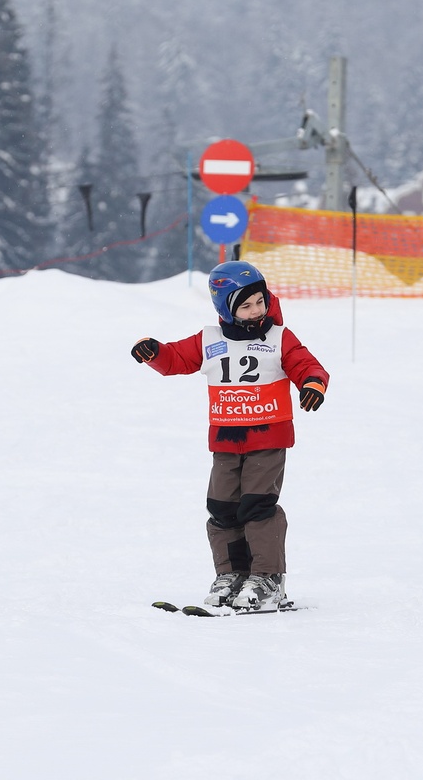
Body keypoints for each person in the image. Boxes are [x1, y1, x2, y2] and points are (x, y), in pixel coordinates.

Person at [130, 261, 329, 610]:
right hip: (226, 438)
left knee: (257, 504)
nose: (256, 311)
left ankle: (267, 578)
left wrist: (312, 383)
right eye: (246, 305)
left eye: (260, 302)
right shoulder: (209, 340)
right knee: (222, 507)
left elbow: (304, 363)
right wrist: (154, 352)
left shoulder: (280, 337)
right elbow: (176, 358)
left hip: (268, 436)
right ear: (226, 309)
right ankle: (233, 574)